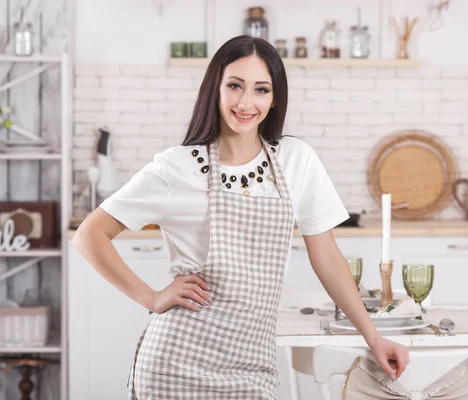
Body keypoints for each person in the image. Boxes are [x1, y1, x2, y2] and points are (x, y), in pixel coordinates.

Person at [73, 35, 410, 399]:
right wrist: (151, 297)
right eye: (235, 85)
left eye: (261, 89)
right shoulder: (177, 167)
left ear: (275, 97)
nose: (246, 102)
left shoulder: (296, 161)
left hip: (253, 367)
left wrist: (372, 337)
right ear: (214, 88)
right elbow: (89, 234)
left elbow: (327, 257)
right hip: (176, 363)